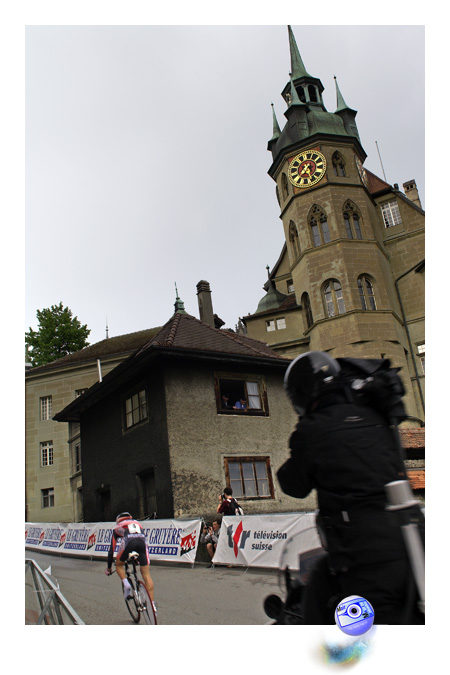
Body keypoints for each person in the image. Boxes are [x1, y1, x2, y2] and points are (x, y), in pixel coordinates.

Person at [277, 351, 424, 625]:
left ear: (302, 393)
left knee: (324, 606)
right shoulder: (375, 413)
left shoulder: (312, 430)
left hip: (363, 555)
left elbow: (293, 485)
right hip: (414, 539)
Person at [105, 512, 155, 604]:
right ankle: (152, 605)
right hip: (142, 542)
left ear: (118, 521)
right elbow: (138, 538)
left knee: (119, 565)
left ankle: (126, 584)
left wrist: (108, 568)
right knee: (146, 575)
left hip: (128, 541)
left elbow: (111, 550)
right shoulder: (137, 523)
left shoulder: (117, 527)